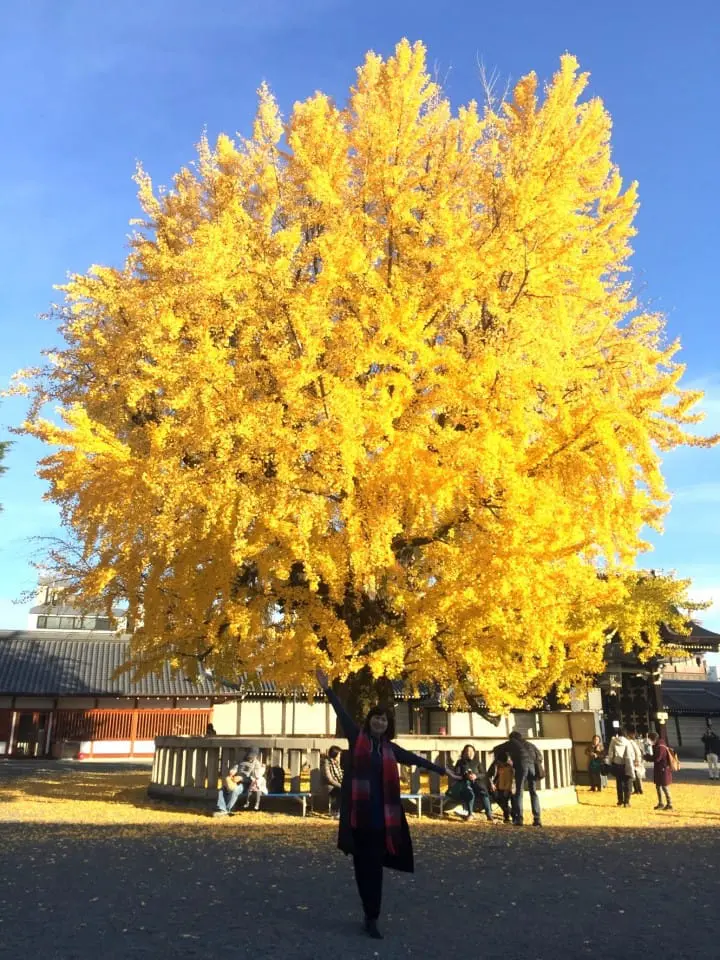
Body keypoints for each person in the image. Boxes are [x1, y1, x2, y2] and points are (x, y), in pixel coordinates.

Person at [316, 667, 460, 940]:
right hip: (359, 818)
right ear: (369, 721)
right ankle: (367, 909)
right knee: (362, 868)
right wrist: (327, 688)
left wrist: (443, 772)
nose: (379, 722)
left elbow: (417, 760)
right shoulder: (356, 738)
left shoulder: (390, 750)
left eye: (384, 719)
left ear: (388, 725)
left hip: (382, 819)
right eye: (376, 718)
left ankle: (373, 917)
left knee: (375, 869)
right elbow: (341, 712)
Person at [493, 730, 542, 827]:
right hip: (532, 767)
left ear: (511, 737)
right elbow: (540, 756)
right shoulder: (530, 744)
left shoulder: (512, 742)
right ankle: (537, 819)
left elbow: (497, 748)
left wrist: (502, 757)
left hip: (521, 766)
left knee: (519, 792)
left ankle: (519, 819)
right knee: (533, 792)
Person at [449, 744, 493, 821]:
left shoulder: (477, 762)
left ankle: (489, 814)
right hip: (465, 783)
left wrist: (476, 776)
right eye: (467, 751)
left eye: (471, 751)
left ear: (474, 752)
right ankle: (470, 814)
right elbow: (457, 774)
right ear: (464, 752)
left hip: (477, 783)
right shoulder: (460, 762)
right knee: (470, 792)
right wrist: (466, 776)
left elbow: (483, 774)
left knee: (484, 792)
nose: (469, 753)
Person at [606, 727, 634, 807]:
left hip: (617, 764)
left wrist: (610, 762)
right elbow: (631, 754)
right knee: (628, 783)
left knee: (619, 783)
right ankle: (627, 801)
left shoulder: (613, 741)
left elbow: (610, 753)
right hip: (626, 764)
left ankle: (620, 801)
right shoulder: (628, 742)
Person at [647, 732, 673, 810]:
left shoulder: (660, 746)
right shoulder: (659, 744)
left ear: (653, 739)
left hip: (663, 769)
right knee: (658, 786)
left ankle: (669, 804)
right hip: (660, 769)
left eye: (649, 739)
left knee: (665, 787)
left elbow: (657, 758)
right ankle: (661, 803)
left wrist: (647, 757)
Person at [488, 749, 514, 822]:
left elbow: (512, 779)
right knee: (497, 796)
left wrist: (508, 788)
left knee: (506, 797)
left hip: (509, 786)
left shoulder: (511, 766)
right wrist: (492, 784)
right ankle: (510, 813)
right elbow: (489, 775)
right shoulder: (495, 764)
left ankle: (509, 814)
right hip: (498, 785)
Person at [321, 745, 344, 818]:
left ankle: (342, 810)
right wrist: (341, 786)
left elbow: (340, 775)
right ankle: (335, 811)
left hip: (336, 785)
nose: (340, 757)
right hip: (328, 787)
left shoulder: (336, 763)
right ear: (335, 754)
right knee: (341, 790)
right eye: (339, 755)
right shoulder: (326, 763)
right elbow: (329, 779)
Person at [627, 727, 645, 795]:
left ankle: (640, 790)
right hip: (633, 760)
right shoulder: (632, 741)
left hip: (635, 760)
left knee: (637, 776)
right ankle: (636, 789)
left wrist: (637, 760)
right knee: (633, 775)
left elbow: (638, 752)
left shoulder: (632, 742)